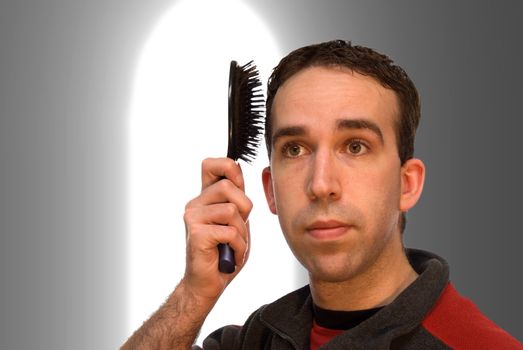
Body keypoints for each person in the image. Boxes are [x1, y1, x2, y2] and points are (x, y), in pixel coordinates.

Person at [121, 40, 522, 349]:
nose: (320, 184)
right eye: (295, 149)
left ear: (408, 184)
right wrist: (195, 292)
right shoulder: (257, 340)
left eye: (355, 146)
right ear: (270, 192)